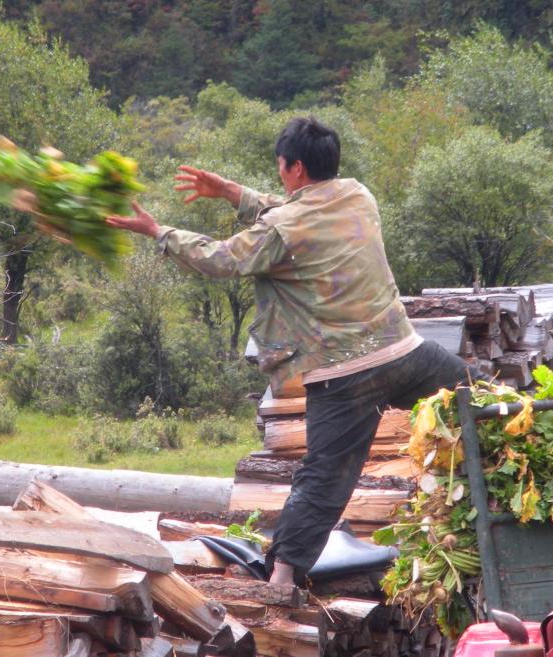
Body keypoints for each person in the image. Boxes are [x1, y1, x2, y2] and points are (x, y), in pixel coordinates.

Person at [107, 116, 471, 586]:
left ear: (295, 168)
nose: (279, 174)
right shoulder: (359, 195)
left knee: (324, 481)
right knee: (475, 400)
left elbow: (222, 258)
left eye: (281, 166)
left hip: (343, 375)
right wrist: (234, 193)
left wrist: (159, 231)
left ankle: (282, 579)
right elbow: (297, 212)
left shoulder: (283, 228)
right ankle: (505, 484)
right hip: (405, 353)